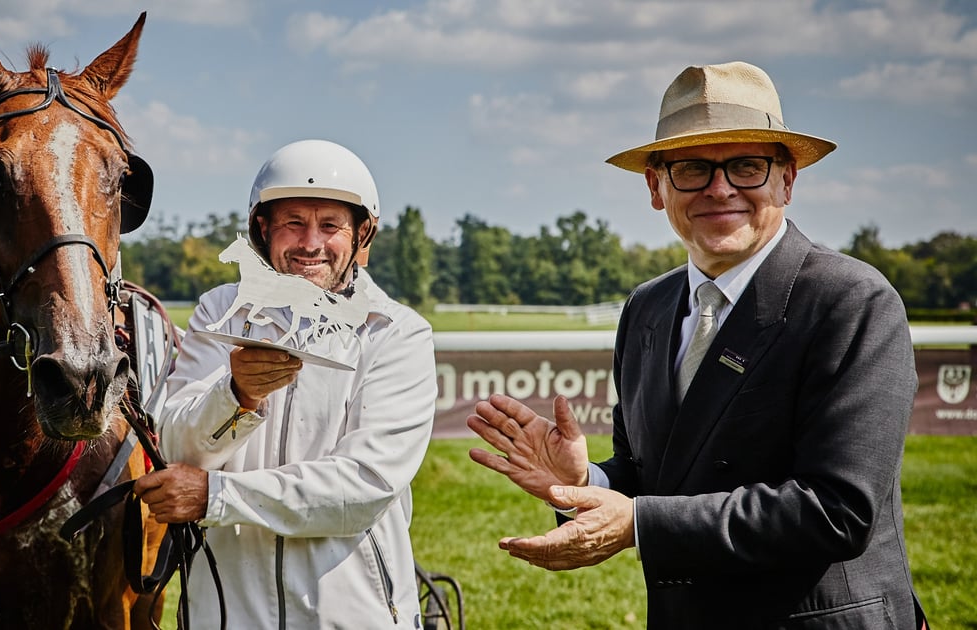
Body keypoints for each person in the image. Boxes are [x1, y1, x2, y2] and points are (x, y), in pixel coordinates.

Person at [468, 61, 928, 628]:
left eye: (746, 166)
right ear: (656, 187)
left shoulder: (849, 301)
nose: (719, 188)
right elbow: (657, 477)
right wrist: (586, 482)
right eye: (691, 168)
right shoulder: (647, 308)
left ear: (787, 179)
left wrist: (637, 523)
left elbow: (838, 511)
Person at [134, 139, 438, 628]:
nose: (310, 243)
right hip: (226, 614)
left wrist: (216, 496)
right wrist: (236, 396)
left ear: (363, 234)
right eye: (293, 222)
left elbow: (363, 487)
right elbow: (174, 446)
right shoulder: (218, 312)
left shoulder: (396, 333)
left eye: (331, 225)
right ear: (263, 228)